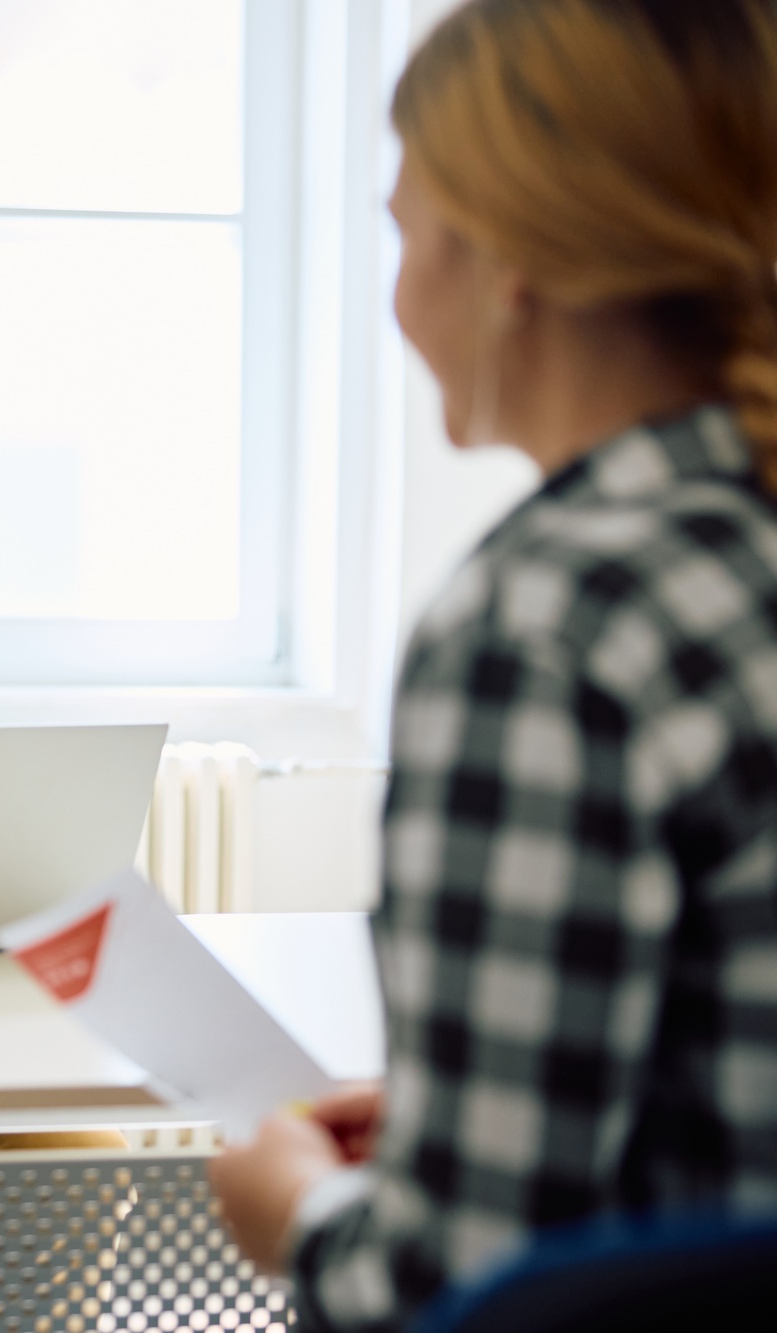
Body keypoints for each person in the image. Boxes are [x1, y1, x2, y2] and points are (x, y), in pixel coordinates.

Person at [207, 0, 777, 1327]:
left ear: (512, 256)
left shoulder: (547, 624)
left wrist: (292, 1205)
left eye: (407, 233)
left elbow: (454, 1286)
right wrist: (474, 1118)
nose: (401, 291)